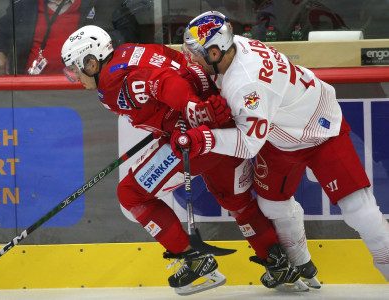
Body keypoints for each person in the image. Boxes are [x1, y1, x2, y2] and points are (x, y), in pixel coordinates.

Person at [60, 25, 309, 295]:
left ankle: (195, 261)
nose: (74, 77)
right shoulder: (133, 50)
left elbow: (163, 82)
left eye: (74, 69)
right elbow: (184, 63)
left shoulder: (110, 83)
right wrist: (204, 103)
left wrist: (193, 109)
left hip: (196, 140)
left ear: (91, 62)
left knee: (130, 193)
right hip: (225, 129)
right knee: (237, 202)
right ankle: (278, 263)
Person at [181, 10, 389, 284]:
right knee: (272, 204)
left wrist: (205, 139)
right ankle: (300, 266)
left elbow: (249, 144)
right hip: (279, 132)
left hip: (319, 130)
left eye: (196, 52)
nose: (191, 58)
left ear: (217, 52)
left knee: (359, 210)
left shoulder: (246, 84)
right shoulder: (234, 47)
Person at [0, 0, 139, 75]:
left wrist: (102, 47)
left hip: (84, 90)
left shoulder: (102, 4)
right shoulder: (24, 7)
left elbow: (130, 32)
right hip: (30, 92)